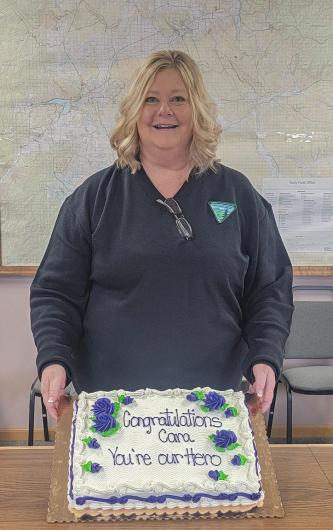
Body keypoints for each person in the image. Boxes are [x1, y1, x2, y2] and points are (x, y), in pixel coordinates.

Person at [30, 50, 294, 421]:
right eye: (150, 99)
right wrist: (54, 358)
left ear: (197, 109)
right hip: (112, 409)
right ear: (134, 110)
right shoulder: (94, 198)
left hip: (210, 407)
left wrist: (265, 356)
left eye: (178, 99)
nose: (163, 111)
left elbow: (269, 288)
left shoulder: (238, 195)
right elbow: (56, 291)